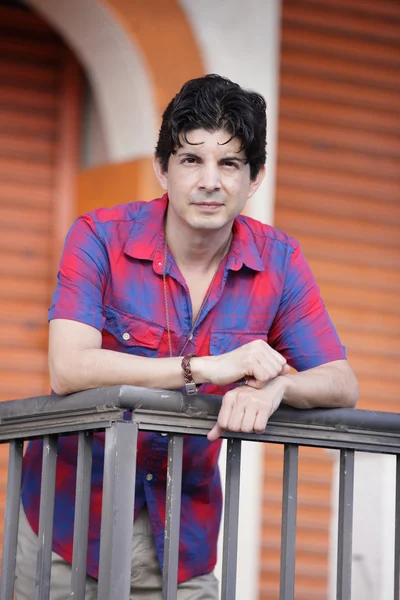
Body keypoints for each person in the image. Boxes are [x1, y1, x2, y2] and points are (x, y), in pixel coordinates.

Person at [16, 74, 358, 599]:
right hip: (65, 526)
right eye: (191, 160)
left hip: (182, 540)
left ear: (256, 177)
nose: (210, 181)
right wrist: (202, 367)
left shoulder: (279, 261)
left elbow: (341, 381)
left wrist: (277, 389)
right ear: (162, 169)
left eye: (230, 164)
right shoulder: (99, 237)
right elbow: (69, 367)